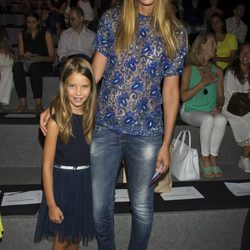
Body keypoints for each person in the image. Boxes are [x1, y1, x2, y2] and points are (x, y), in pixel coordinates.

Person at [40, 0, 187, 249]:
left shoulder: (175, 31)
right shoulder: (112, 19)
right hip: (105, 128)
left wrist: (166, 143)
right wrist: (56, 105)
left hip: (147, 133)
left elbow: (171, 92)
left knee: (141, 207)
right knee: (99, 208)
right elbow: (94, 72)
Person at [34, 58, 97, 249]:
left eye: (84, 86)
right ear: (64, 86)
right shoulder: (56, 122)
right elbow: (46, 165)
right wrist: (52, 204)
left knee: (76, 235)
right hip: (61, 183)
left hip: (85, 182)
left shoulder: (93, 118)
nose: (78, 93)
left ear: (92, 88)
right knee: (62, 238)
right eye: (72, 86)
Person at [180, 32, 227, 178]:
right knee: (208, 119)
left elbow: (220, 97)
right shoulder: (189, 69)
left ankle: (214, 156)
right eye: (212, 43)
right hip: (189, 110)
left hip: (209, 111)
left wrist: (218, 106)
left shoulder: (218, 71)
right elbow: (183, 96)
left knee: (221, 119)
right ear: (201, 45)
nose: (215, 46)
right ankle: (204, 157)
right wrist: (203, 83)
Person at [13, 11, 55, 113]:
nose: (31, 25)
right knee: (17, 67)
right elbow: (20, 56)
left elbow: (52, 58)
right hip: (28, 63)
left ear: (38, 22)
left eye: (33, 22)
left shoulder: (46, 33)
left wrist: (38, 58)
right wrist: (24, 56)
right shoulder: (21, 34)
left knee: (34, 68)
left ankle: (38, 104)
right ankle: (23, 103)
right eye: (28, 22)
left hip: (44, 64)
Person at [222, 42, 250, 173]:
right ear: (238, 55)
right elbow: (232, 95)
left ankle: (244, 158)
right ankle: (244, 159)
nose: (246, 55)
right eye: (243, 51)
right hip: (233, 108)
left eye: (249, 52)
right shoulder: (231, 72)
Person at [56, 6, 95, 76]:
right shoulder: (65, 34)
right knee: (62, 69)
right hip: (70, 61)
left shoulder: (92, 35)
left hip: (86, 62)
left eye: (73, 19)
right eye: (69, 19)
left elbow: (95, 55)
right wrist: (69, 62)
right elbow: (61, 53)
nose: (70, 22)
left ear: (81, 19)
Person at [0, 27, 14, 111]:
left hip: (4, 61)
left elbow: (10, 51)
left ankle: (1, 100)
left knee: (9, 70)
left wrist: (8, 51)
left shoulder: (2, 31)